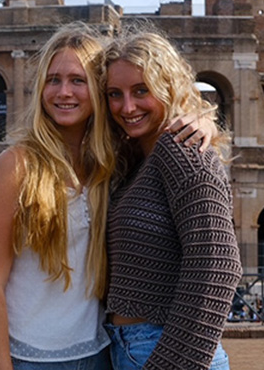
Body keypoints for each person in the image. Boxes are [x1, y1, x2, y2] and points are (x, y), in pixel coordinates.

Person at [0, 23, 213, 370]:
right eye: (53, 80)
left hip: (99, 355)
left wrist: (202, 120)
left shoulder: (112, 165)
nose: (63, 92)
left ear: (99, 91)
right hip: (26, 358)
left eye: (77, 80)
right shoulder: (15, 167)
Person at [102, 29, 242, 370]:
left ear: (169, 87)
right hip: (131, 348)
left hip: (167, 350)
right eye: (114, 94)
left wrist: (172, 364)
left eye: (141, 91)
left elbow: (218, 261)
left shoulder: (181, 151)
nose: (127, 106)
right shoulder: (137, 159)